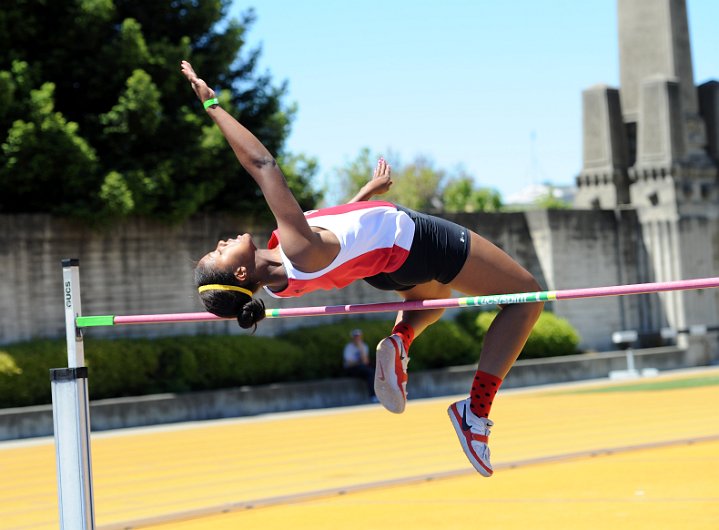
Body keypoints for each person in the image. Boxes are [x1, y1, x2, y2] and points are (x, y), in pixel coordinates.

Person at [182, 60, 543, 477]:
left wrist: (365, 196)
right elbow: (262, 166)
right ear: (241, 275)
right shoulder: (295, 248)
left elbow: (341, 239)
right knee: (525, 298)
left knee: (435, 300)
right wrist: (212, 104)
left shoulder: (285, 273)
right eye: (219, 253)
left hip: (386, 268)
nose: (222, 243)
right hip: (413, 240)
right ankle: (475, 412)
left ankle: (401, 339)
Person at [343, 329, 377, 401]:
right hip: (351, 369)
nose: (357, 338)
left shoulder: (364, 346)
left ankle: (376, 395)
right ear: (352, 338)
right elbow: (349, 363)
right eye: (355, 337)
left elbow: (365, 361)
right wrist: (359, 363)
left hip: (362, 368)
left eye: (358, 337)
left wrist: (361, 349)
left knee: (372, 372)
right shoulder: (349, 347)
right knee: (368, 371)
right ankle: (373, 396)